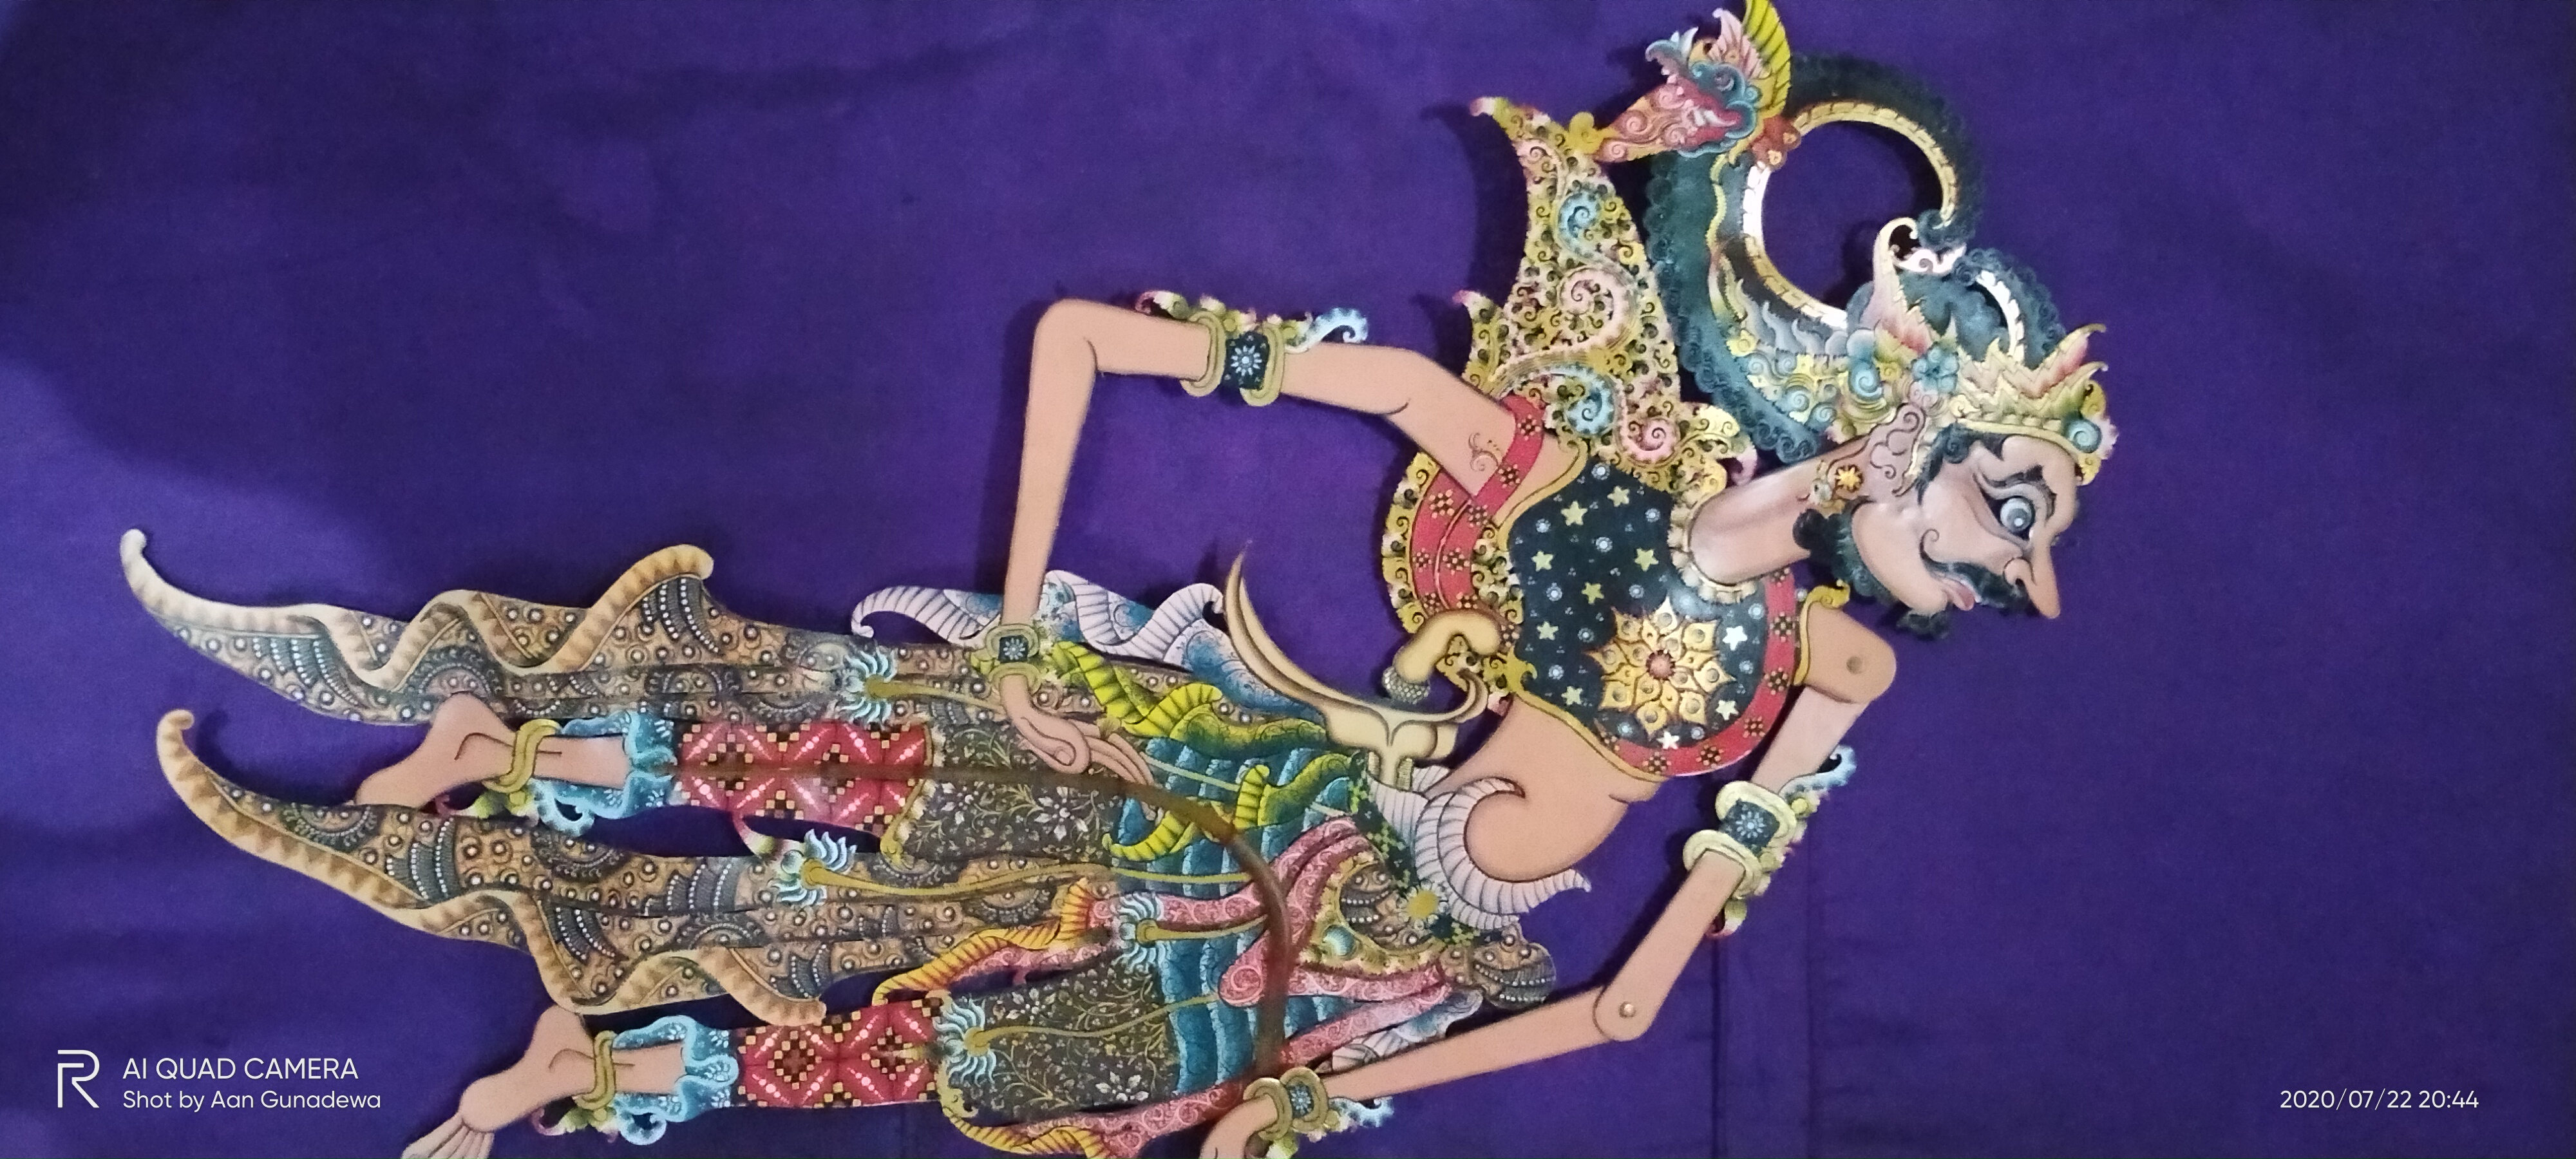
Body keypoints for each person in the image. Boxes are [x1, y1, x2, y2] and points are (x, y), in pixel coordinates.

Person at [129, 5, 2114, 1156]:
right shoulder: (1554, 476)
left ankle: (597, 1054)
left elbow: (1620, 1015)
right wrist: (1013, 637)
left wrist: (1324, 1101)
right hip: (1305, 821)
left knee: (973, 1040)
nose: (2012, 575)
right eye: (2008, 503)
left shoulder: (1826, 670)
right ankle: (515, 745)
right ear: (1900, 431)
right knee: (917, 779)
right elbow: (1085, 338)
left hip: (1386, 953)